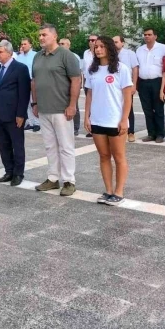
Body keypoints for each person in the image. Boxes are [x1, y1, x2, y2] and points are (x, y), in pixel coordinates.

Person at [32, 24, 81, 197]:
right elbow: (34, 81)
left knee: (66, 146)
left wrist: (72, 105)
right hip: (43, 108)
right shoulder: (37, 56)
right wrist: (35, 103)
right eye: (39, 35)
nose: (41, 38)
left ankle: (69, 181)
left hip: (61, 109)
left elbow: (76, 80)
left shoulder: (66, 55)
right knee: (50, 146)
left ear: (54, 36)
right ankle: (53, 178)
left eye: (44, 35)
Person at [84, 36, 133, 206]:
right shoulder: (92, 70)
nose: (98, 49)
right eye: (96, 47)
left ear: (109, 48)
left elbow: (128, 97)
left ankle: (119, 192)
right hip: (97, 120)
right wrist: (87, 116)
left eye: (102, 46)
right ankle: (108, 191)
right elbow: (89, 95)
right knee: (104, 156)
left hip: (115, 121)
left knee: (119, 157)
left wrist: (124, 119)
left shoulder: (121, 69)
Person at [0, 40, 31, 186]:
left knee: (17, 144)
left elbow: (24, 93)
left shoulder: (20, 68)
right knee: (3, 144)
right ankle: (8, 171)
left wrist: (21, 114)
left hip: (14, 114)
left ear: (9, 52)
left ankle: (18, 173)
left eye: (0, 52)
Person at [136, 27, 165, 143]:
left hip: (157, 82)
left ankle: (160, 134)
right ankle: (151, 133)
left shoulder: (164, 49)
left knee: (158, 109)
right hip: (143, 82)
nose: (147, 36)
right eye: (145, 34)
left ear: (155, 36)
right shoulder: (139, 50)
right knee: (147, 109)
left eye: (149, 34)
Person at [113, 35, 139, 142]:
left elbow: (135, 69)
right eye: (113, 42)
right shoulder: (111, 54)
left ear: (122, 43)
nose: (114, 44)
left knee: (129, 108)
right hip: (114, 86)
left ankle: (131, 132)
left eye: (116, 42)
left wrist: (134, 84)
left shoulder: (130, 53)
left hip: (127, 85)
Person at [57, 38, 82, 136]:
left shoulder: (73, 56)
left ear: (68, 45)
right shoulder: (57, 56)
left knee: (74, 105)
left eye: (63, 43)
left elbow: (78, 74)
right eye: (59, 43)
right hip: (61, 87)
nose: (60, 45)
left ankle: (75, 127)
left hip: (71, 85)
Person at [16, 37, 39, 133]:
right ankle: (30, 122)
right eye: (22, 44)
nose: (23, 46)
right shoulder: (19, 57)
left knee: (34, 101)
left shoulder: (35, 55)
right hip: (23, 82)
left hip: (33, 80)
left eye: (25, 44)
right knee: (26, 102)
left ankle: (37, 123)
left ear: (30, 45)